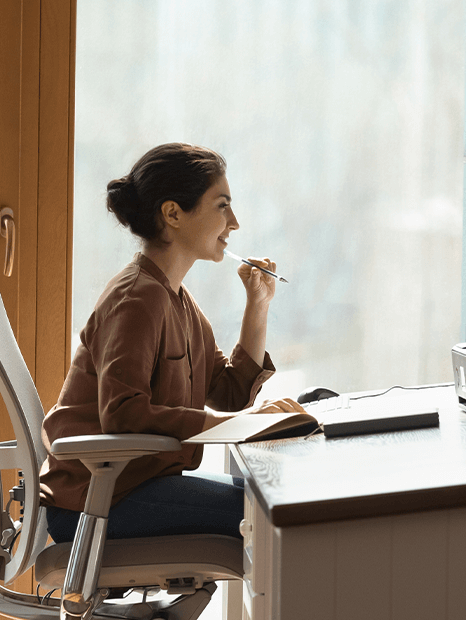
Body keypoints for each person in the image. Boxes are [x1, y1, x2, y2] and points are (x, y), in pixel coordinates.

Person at [40, 142, 301, 543]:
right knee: (266, 510)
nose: (234, 223)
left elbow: (229, 393)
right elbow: (123, 415)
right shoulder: (137, 298)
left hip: (130, 489)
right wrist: (239, 424)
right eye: (222, 206)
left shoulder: (176, 298)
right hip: (94, 503)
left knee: (267, 499)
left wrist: (258, 305)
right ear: (173, 213)